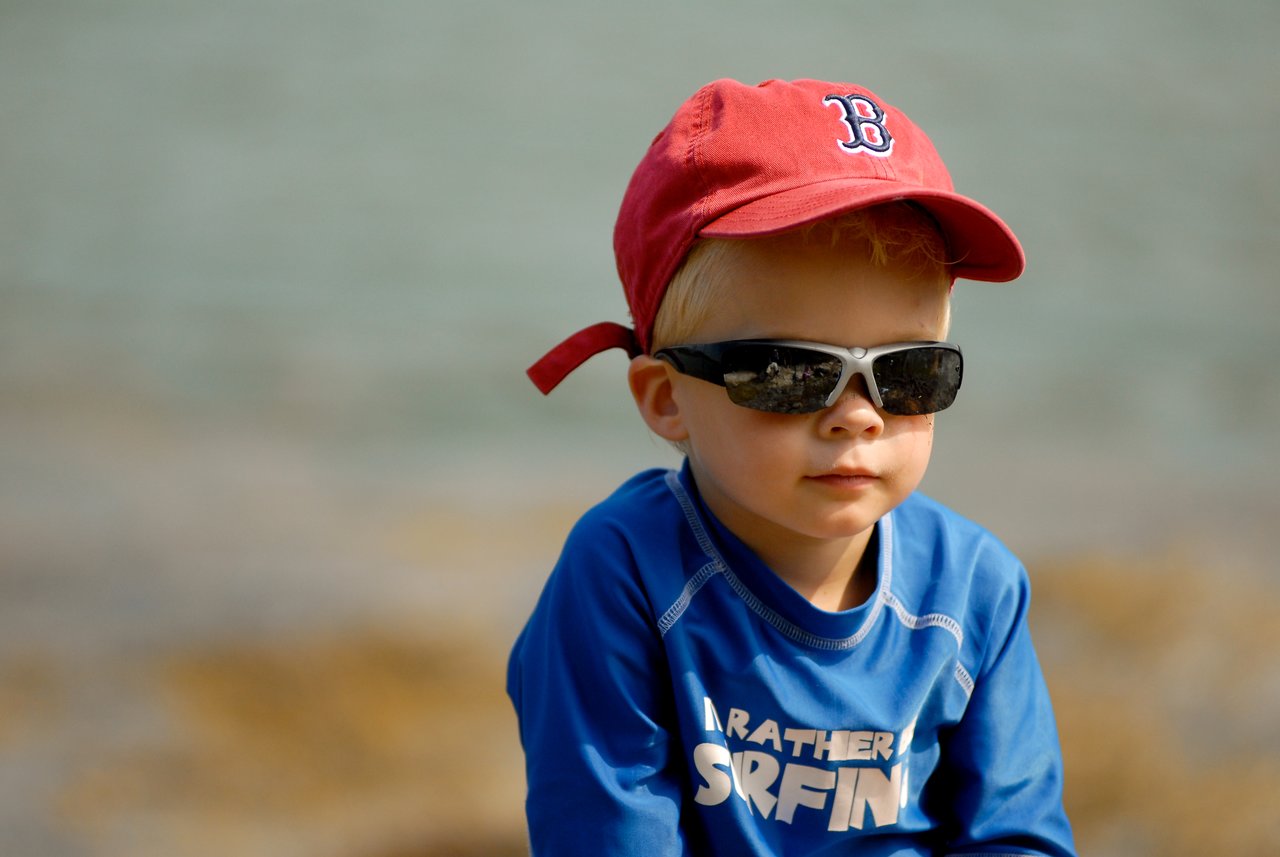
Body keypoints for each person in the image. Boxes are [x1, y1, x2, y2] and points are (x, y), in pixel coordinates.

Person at [507, 77, 1075, 856]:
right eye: (790, 371)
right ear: (666, 399)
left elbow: (1017, 837)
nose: (858, 413)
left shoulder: (974, 590)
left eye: (910, 371)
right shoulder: (626, 576)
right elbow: (606, 832)